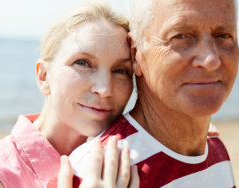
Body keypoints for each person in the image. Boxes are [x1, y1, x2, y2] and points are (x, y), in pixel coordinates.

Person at [0, 1, 139, 188]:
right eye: (83, 63)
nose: (105, 88)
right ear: (43, 76)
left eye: (121, 71)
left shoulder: (119, 164)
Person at [65, 0, 238, 187]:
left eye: (223, 35)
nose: (211, 59)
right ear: (136, 55)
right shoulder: (95, 172)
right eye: (180, 36)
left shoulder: (214, 147)